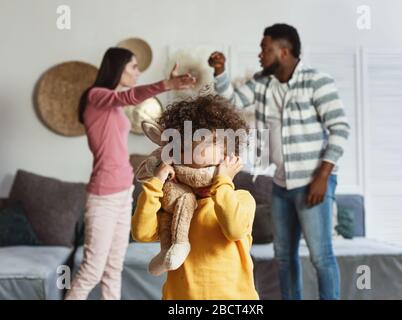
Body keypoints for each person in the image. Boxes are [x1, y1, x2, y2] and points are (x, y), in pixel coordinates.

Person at [208, 24, 350, 300]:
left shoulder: (316, 81)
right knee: (283, 257)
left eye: (265, 48)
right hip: (281, 184)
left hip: (313, 183)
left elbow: (340, 128)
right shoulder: (262, 85)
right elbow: (231, 102)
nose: (260, 54)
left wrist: (322, 177)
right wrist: (220, 72)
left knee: (321, 257)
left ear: (284, 52)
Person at [65, 47, 196, 300]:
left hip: (124, 191)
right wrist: (166, 83)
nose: (137, 72)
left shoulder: (110, 104)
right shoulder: (96, 96)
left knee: (114, 269)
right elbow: (128, 98)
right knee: (93, 270)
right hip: (103, 196)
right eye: (134, 67)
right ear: (117, 67)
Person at [131, 95, 259, 299]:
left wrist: (223, 180)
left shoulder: (242, 199)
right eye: (190, 144)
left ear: (228, 155)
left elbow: (233, 229)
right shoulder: (174, 202)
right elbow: (141, 233)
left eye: (208, 141)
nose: (197, 148)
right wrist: (156, 182)